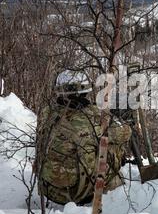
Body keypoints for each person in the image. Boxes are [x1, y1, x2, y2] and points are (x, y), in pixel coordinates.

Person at [35, 70, 132, 205]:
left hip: (49, 190)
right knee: (111, 146)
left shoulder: (46, 113)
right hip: (77, 194)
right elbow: (125, 133)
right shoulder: (93, 118)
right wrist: (119, 117)